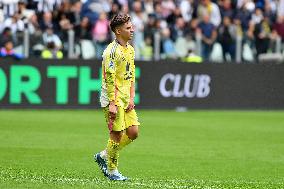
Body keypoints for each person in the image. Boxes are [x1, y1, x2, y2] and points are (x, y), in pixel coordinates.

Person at [94, 13, 140, 181]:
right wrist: (112, 103)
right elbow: (109, 78)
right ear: (118, 31)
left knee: (134, 132)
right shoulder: (111, 52)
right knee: (117, 135)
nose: (132, 30)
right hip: (112, 99)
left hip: (126, 98)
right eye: (128, 28)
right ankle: (113, 171)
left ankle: (104, 155)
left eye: (131, 26)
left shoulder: (130, 50)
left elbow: (131, 75)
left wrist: (132, 97)